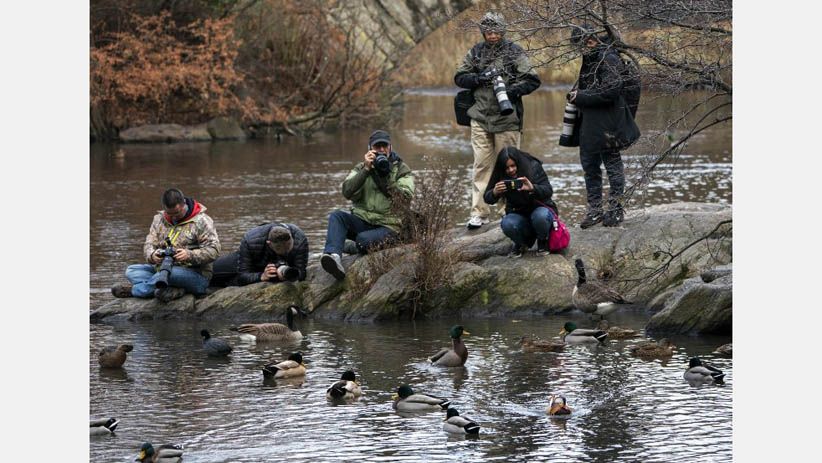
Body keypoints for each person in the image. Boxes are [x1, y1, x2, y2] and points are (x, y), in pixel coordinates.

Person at [454, 11, 541, 230]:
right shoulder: (476, 52)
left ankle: (508, 210)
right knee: (481, 165)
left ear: (503, 31)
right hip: (480, 117)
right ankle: (479, 212)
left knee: (511, 166)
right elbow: (459, 77)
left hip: (508, 118)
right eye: (488, 31)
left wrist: (511, 92)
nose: (492, 35)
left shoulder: (514, 52)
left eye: (496, 31)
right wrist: (477, 79)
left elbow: (533, 79)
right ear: (483, 32)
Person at [320, 129, 415, 280]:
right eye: (378, 147)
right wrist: (366, 170)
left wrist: (385, 177)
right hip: (363, 221)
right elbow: (347, 191)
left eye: (385, 146)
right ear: (370, 149)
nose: (382, 150)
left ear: (390, 147)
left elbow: (405, 198)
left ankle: (351, 247)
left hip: (389, 225)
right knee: (337, 216)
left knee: (364, 240)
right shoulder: (361, 167)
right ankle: (334, 256)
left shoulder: (401, 169)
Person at [568, 26, 638, 228]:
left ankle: (616, 211)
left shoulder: (609, 57)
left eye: (586, 41)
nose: (583, 46)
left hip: (608, 124)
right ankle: (595, 211)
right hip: (589, 123)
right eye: (580, 44)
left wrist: (580, 97)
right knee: (590, 167)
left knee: (613, 167)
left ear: (594, 39)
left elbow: (612, 90)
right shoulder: (592, 57)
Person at [111, 188, 221, 301]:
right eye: (169, 213)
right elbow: (148, 245)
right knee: (131, 270)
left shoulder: (202, 221)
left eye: (177, 213)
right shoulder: (158, 219)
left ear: (183, 204)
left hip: (196, 274)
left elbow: (214, 250)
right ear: (164, 208)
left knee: (170, 274)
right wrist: (153, 255)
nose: (173, 217)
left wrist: (190, 255)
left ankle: (136, 290)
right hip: (162, 268)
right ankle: (173, 289)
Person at [483, 147, 558, 257]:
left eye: (513, 166)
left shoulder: (533, 166)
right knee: (507, 223)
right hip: (518, 215)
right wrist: (494, 192)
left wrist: (533, 188)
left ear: (519, 162)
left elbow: (548, 191)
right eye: (507, 168)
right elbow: (487, 198)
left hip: (540, 210)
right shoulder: (500, 173)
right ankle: (521, 243)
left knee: (540, 216)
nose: (511, 170)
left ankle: (543, 240)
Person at [210, 222, 308, 287]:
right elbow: (243, 275)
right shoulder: (251, 240)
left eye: (288, 249)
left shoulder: (300, 240)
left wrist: (284, 275)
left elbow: (301, 273)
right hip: (255, 259)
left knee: (231, 282)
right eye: (281, 251)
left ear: (292, 238)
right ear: (269, 243)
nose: (286, 251)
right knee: (211, 271)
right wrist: (262, 276)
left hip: (270, 265)